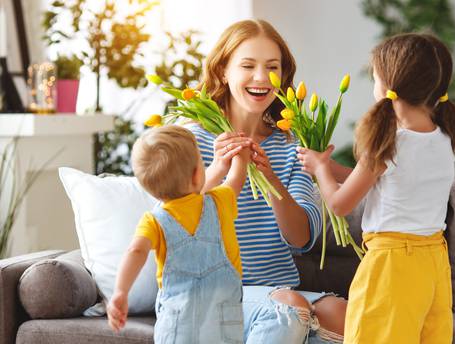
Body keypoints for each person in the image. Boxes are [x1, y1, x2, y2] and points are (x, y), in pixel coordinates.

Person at [297, 33, 455, 344]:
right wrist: (330, 166)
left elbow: (338, 205)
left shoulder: (389, 144)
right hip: (432, 263)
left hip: (392, 265)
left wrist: (321, 170)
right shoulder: (443, 138)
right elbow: (386, 182)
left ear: (389, 84)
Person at [183, 19, 347, 343]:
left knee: (345, 316)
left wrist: (270, 178)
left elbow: (301, 239)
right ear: (222, 71)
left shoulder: (293, 146)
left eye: (272, 67)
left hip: (279, 290)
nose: (261, 78)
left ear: (283, 77)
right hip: (213, 294)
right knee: (287, 309)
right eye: (248, 65)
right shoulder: (191, 140)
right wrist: (218, 169)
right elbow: (175, 223)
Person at [106, 125, 249, 343]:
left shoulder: (153, 220)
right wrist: (241, 156)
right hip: (223, 325)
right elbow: (236, 179)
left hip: (177, 327)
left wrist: (120, 292)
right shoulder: (219, 201)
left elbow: (135, 250)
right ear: (196, 174)